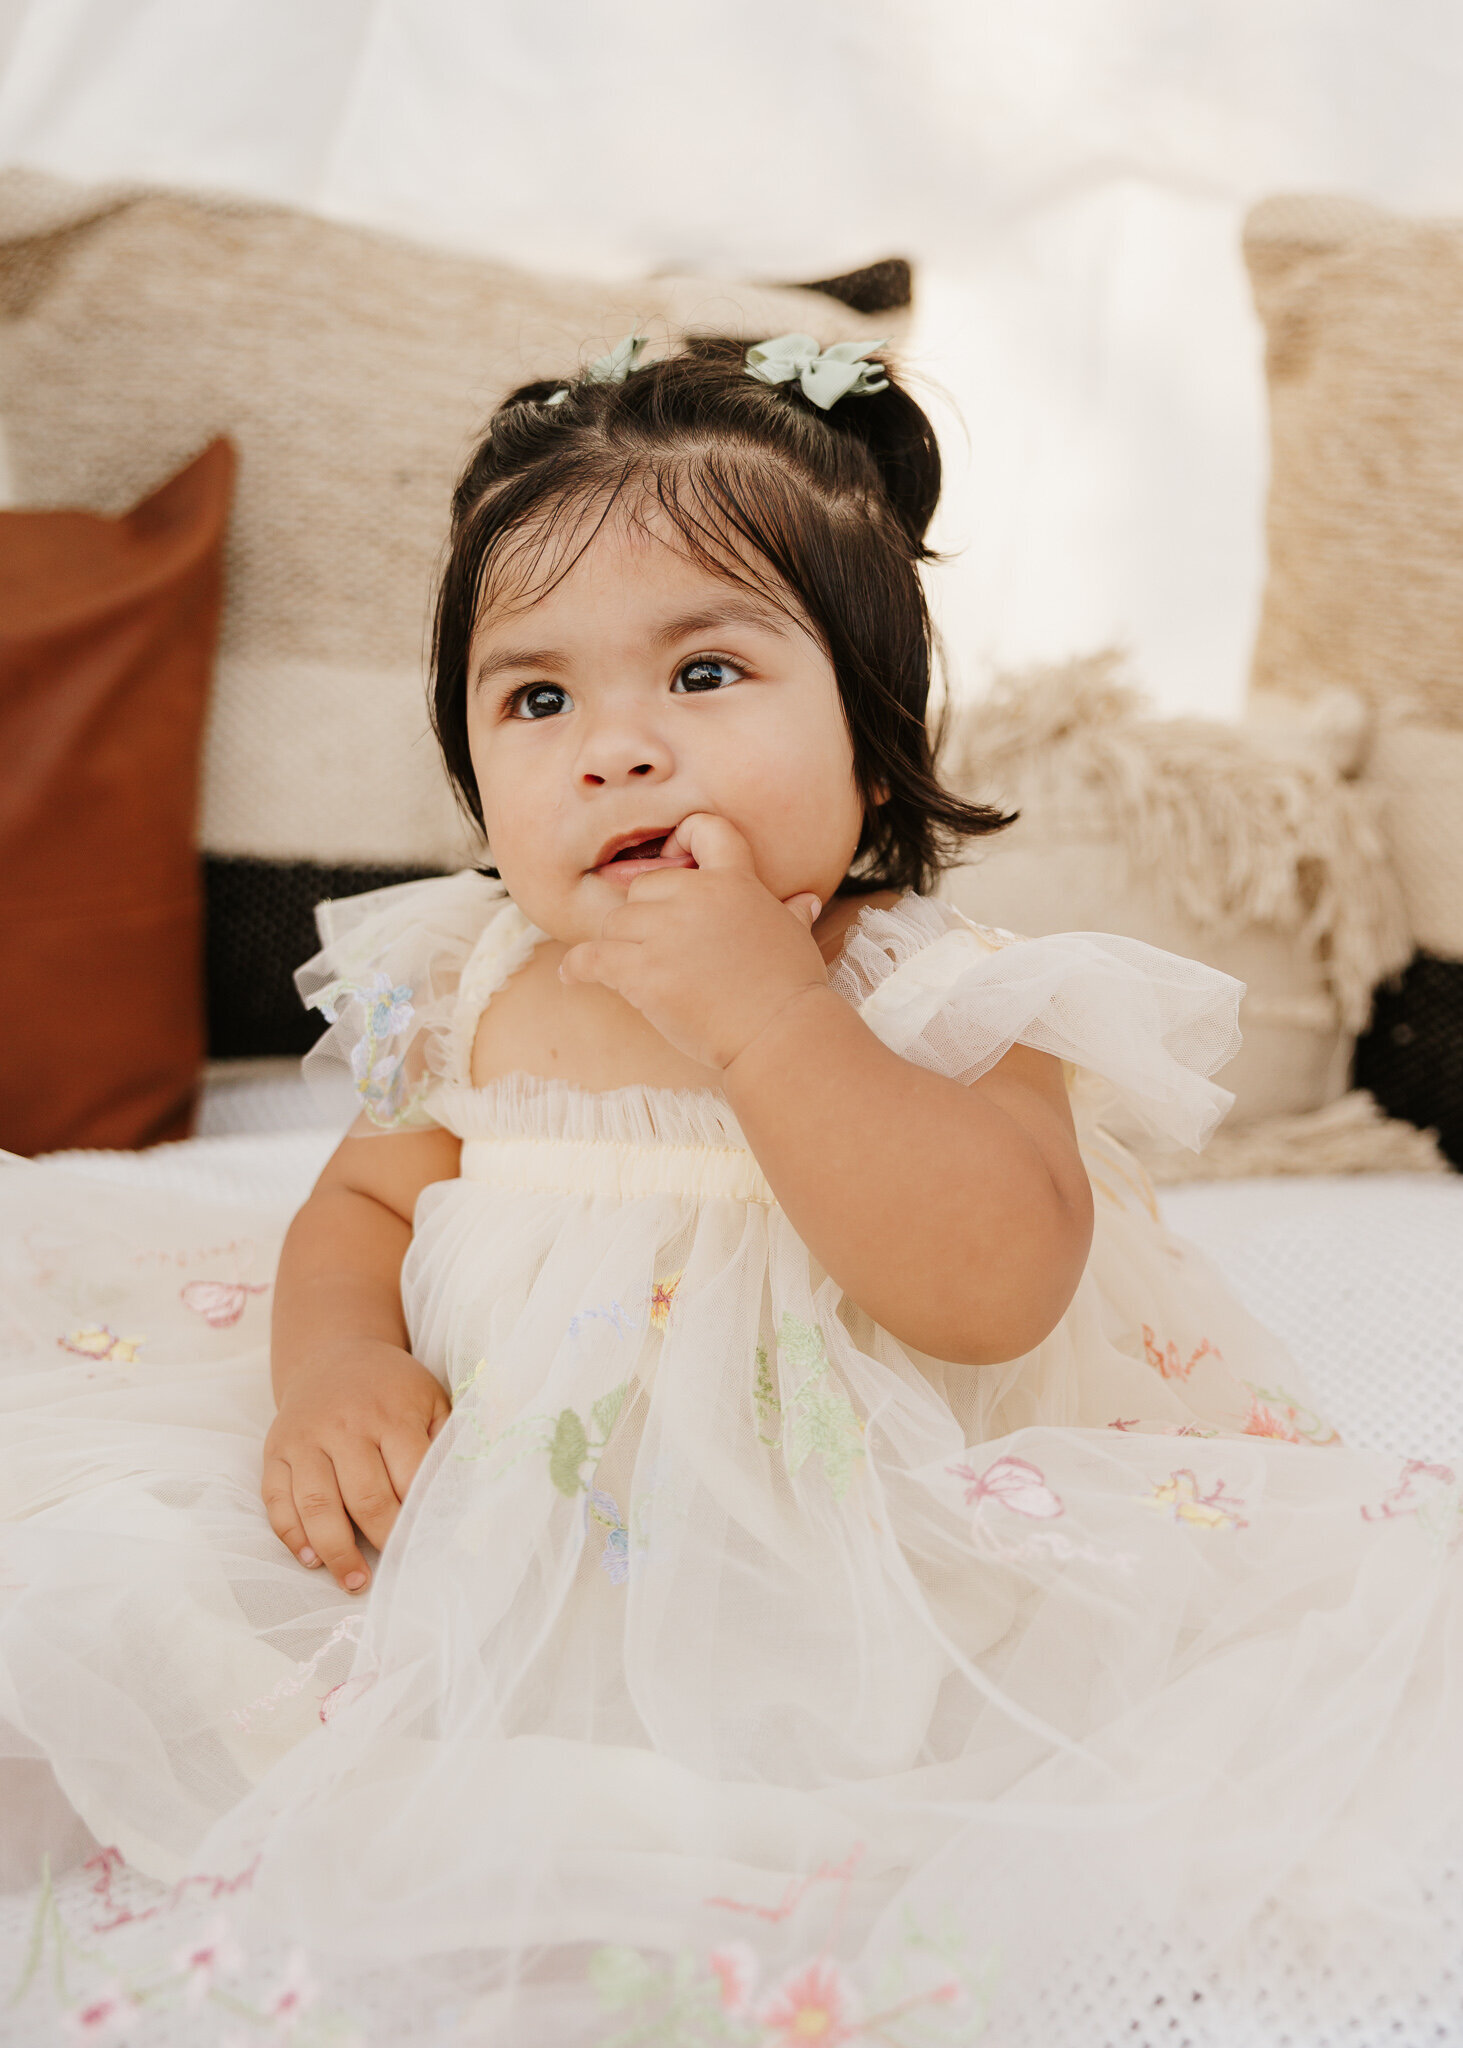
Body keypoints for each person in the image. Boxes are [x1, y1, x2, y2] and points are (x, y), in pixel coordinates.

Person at [1, 334, 1459, 2047]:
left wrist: (766, 1014)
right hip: (490, 1503)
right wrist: (332, 1369)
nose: (615, 749)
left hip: (833, 1527)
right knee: (137, 1623)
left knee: (791, 1802)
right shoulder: (474, 977)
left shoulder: (931, 989)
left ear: (871, 727)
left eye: (704, 675)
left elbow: (995, 1281)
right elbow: (366, 1208)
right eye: (537, 699)